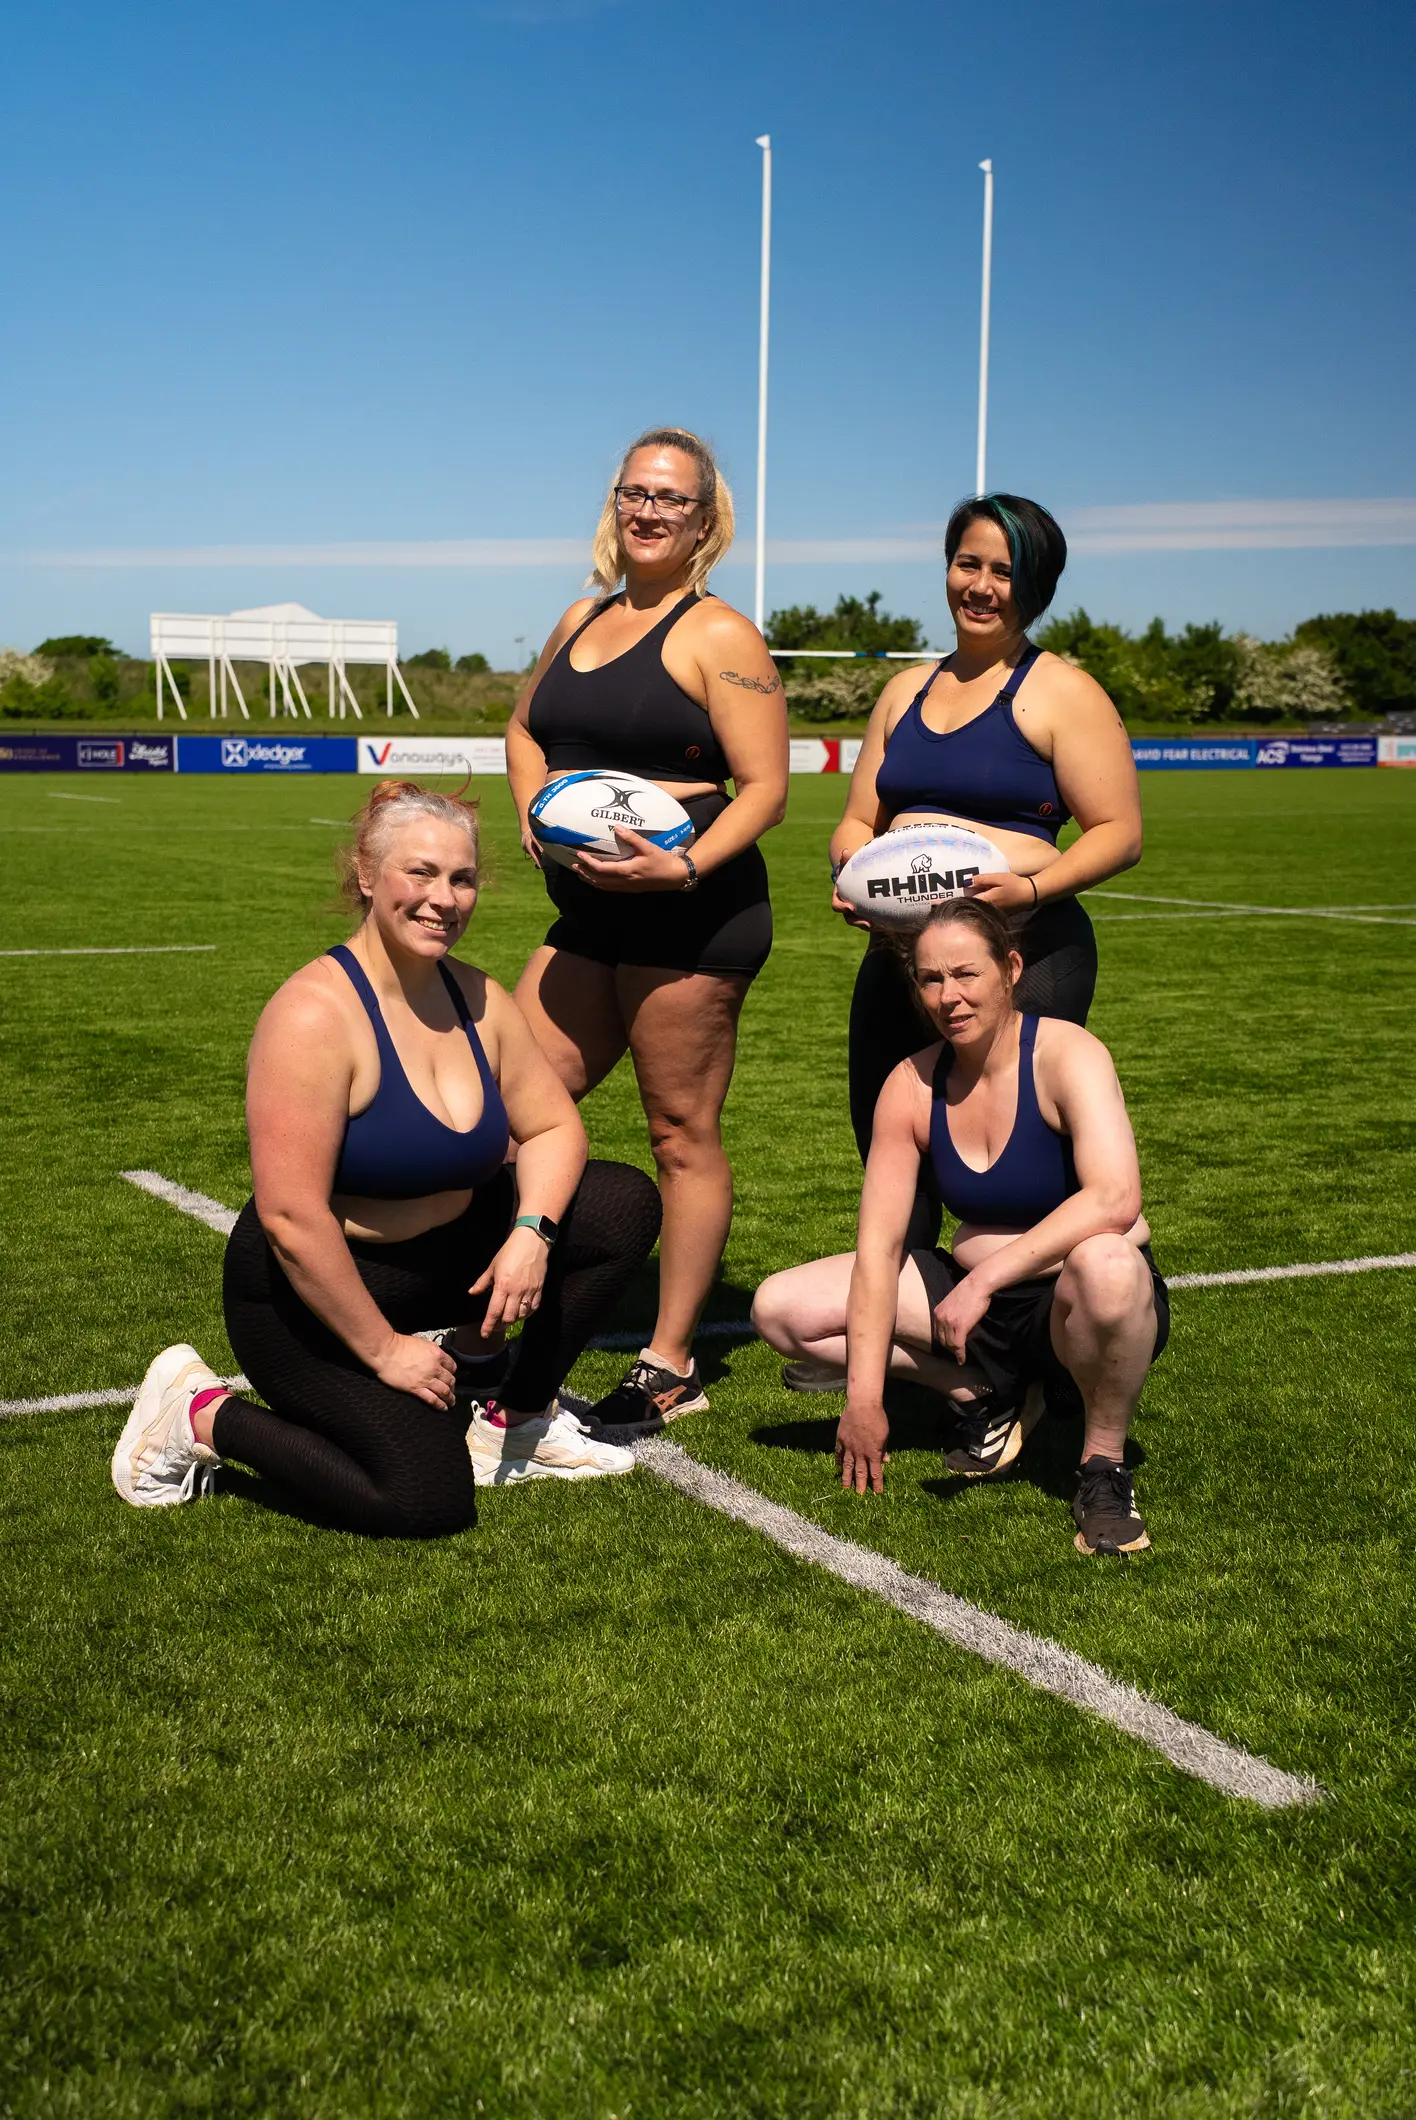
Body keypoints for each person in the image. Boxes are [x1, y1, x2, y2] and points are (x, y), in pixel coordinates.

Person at [111, 781, 663, 1534]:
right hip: (316, 1290)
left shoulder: (480, 999)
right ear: (366, 875)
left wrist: (530, 1233)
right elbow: (290, 1217)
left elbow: (555, 1130)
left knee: (619, 1204)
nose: (444, 899)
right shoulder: (313, 1015)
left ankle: (512, 1419)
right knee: (424, 1499)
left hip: (446, 1259)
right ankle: (197, 1412)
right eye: (421, 873)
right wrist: (384, 1352)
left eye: (462, 879)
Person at [506, 426, 789, 1434]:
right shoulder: (580, 616)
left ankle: (669, 1362)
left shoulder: (721, 635)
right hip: (587, 908)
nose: (650, 511)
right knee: (508, 1105)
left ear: (706, 519)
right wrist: (532, 807)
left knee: (678, 1131)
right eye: (636, 492)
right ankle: (491, 1299)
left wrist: (687, 864)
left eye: (672, 498)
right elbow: (525, 727)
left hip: (693, 911)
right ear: (614, 503)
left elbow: (766, 788)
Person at [751, 898, 1168, 1557]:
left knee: (1110, 1264)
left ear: (1011, 969)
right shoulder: (911, 1084)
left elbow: (1115, 1199)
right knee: (781, 1310)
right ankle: (987, 1394)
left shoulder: (1067, 1054)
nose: (950, 996)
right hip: (981, 1309)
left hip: (1070, 1292)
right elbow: (879, 1248)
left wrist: (984, 1280)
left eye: (967, 974)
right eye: (931, 979)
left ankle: (1103, 1467)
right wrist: (864, 1399)